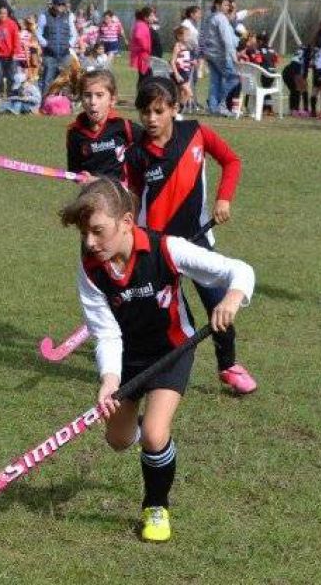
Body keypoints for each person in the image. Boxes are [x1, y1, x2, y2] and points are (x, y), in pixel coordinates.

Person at [60, 177, 254, 542]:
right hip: (129, 358)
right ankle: (146, 427)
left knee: (153, 435)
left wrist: (231, 299)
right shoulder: (91, 268)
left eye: (98, 231)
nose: (89, 242)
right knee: (118, 440)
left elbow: (239, 270)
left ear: (127, 223)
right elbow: (106, 333)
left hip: (172, 352)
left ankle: (156, 506)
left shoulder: (168, 249)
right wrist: (109, 380)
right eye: (84, 233)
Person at [123, 77, 257, 394]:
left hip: (198, 239)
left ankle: (228, 366)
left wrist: (224, 198)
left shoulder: (196, 132)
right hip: (158, 247)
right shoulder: (137, 155)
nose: (151, 119)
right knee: (162, 314)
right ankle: (150, 367)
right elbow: (130, 199)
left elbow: (231, 160)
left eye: (159, 111)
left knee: (218, 304)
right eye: (145, 112)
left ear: (174, 108)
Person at [67, 69, 141, 185]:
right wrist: (79, 176)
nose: (92, 102)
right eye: (87, 95)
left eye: (99, 95)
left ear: (112, 100)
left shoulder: (124, 126)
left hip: (121, 197)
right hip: (92, 197)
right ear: (81, 98)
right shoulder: (74, 133)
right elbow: (74, 171)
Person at [203, 0, 239, 117]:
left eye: (229, 5)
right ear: (217, 5)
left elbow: (202, 36)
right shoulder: (221, 18)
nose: (228, 7)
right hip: (221, 55)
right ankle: (222, 105)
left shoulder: (209, 17)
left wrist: (202, 52)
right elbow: (227, 40)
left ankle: (213, 108)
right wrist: (233, 56)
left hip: (209, 54)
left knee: (215, 81)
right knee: (234, 78)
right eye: (225, 5)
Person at [36, 0, 77, 96]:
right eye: (59, 4)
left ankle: (65, 103)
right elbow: (38, 33)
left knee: (65, 80)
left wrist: (69, 44)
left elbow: (74, 34)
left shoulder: (69, 16)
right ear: (53, 4)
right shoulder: (44, 16)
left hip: (65, 54)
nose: (61, 6)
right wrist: (45, 43)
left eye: (63, 4)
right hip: (49, 55)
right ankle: (45, 103)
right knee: (47, 79)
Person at [171, 26, 195, 111]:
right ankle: (179, 110)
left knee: (181, 93)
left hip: (186, 72)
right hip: (179, 73)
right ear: (179, 36)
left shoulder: (186, 46)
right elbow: (173, 61)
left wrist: (191, 62)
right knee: (189, 93)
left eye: (189, 35)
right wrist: (176, 74)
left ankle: (175, 111)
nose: (188, 37)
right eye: (187, 35)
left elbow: (184, 59)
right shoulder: (177, 47)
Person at [129, 6, 152, 92]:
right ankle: (141, 95)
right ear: (146, 17)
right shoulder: (141, 25)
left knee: (145, 76)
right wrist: (146, 47)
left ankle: (142, 94)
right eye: (151, 16)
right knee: (144, 76)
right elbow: (138, 36)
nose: (153, 18)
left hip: (144, 55)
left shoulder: (142, 24)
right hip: (142, 56)